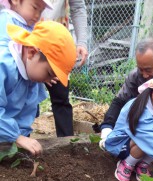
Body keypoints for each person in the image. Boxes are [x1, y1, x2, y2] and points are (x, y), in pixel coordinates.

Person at [0, 21, 76, 155]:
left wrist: (21, 137)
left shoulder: (31, 75)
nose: (49, 80)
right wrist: (16, 137)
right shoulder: (3, 66)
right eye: (49, 73)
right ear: (32, 52)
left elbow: (26, 113)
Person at [41, 0, 88, 137]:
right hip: (27, 44)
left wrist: (82, 42)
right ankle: (18, 147)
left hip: (58, 45)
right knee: (26, 99)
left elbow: (78, 7)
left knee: (61, 98)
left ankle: (66, 145)